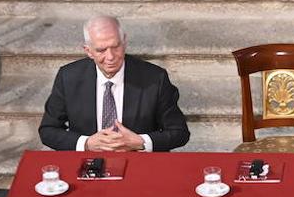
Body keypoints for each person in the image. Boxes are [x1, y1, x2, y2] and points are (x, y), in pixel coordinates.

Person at [39, 16, 190, 151]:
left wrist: (140, 141)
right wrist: (87, 143)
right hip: (87, 164)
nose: (110, 56)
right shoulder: (68, 77)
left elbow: (179, 132)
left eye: (116, 47)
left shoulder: (155, 78)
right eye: (101, 50)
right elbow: (48, 130)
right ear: (88, 51)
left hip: (139, 163)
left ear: (124, 42)